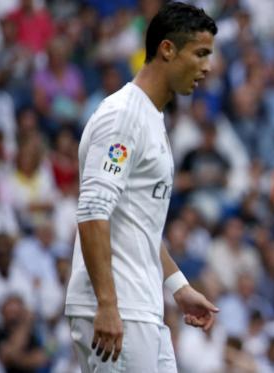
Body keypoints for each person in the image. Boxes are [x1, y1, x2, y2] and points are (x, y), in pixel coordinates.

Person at [64, 3, 219, 372]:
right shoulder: (123, 117)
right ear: (167, 49)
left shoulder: (150, 118)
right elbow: (92, 211)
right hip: (119, 310)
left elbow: (138, 223)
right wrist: (107, 304)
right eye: (200, 53)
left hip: (142, 307)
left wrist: (179, 287)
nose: (207, 67)